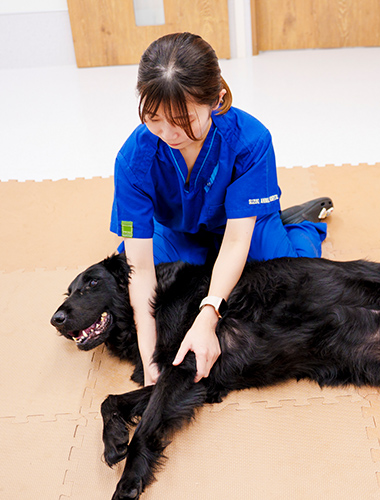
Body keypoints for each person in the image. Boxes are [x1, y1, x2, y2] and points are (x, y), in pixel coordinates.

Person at [110, 32, 333, 386]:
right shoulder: (133, 158)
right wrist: (150, 360)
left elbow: (235, 242)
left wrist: (209, 313)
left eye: (181, 119)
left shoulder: (250, 140)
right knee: (140, 287)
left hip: (243, 225)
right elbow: (140, 268)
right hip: (179, 229)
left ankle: (302, 226)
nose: (167, 133)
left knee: (295, 289)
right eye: (153, 118)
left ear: (216, 99)